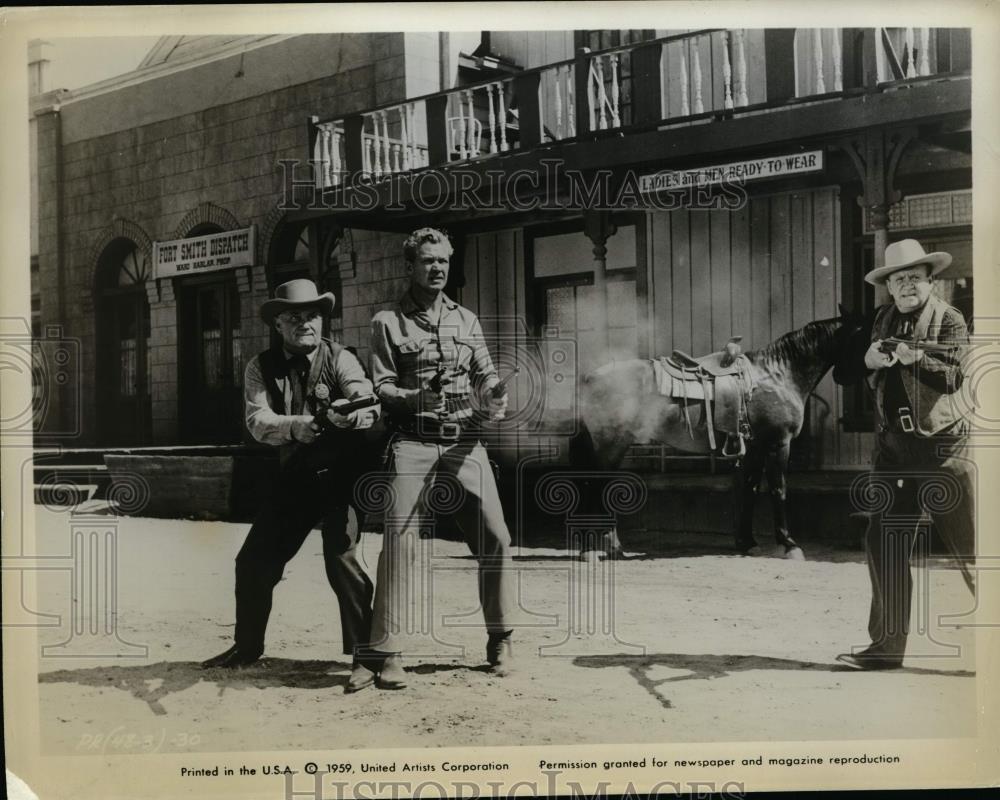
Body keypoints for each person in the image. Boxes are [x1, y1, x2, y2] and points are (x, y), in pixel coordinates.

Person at [202, 279, 382, 694]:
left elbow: (365, 399)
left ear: (323, 319)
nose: (305, 324)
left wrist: (349, 416)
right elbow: (257, 422)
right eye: (294, 317)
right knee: (252, 562)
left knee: (343, 562)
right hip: (294, 479)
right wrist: (297, 426)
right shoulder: (258, 367)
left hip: (340, 479)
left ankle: (364, 658)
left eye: (312, 315)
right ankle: (247, 647)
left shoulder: (342, 358)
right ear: (278, 324)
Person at [367, 227, 515, 689]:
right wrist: (416, 399)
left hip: (463, 441)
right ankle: (388, 650)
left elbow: (486, 373)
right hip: (411, 441)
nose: (437, 269)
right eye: (428, 261)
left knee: (496, 537)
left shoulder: (467, 320)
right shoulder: (387, 321)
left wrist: (494, 397)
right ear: (409, 265)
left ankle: (501, 637)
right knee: (400, 543)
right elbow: (381, 388)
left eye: (444, 262)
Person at [837, 239, 975, 670]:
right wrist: (869, 359)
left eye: (916, 276)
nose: (908, 285)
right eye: (900, 279)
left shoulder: (950, 319)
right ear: (889, 288)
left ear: (931, 281)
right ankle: (885, 649)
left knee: (972, 550)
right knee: (885, 544)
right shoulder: (882, 319)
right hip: (894, 453)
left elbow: (955, 377)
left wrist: (915, 360)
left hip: (943, 452)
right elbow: (845, 374)